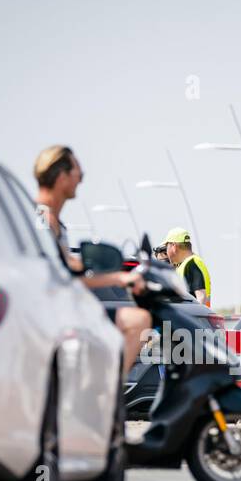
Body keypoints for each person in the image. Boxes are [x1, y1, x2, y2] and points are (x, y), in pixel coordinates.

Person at [33, 145, 152, 374]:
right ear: (61, 177)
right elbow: (61, 275)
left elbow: (68, 268)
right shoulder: (43, 221)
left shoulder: (46, 219)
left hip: (58, 311)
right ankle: (110, 391)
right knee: (138, 321)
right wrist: (119, 278)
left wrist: (117, 277)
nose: (81, 180)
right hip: (54, 315)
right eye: (79, 174)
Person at [163, 228, 212, 306]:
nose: (166, 251)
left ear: (174, 246)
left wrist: (191, 317)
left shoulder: (191, 263)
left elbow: (201, 297)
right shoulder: (187, 263)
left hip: (196, 317)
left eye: (167, 246)